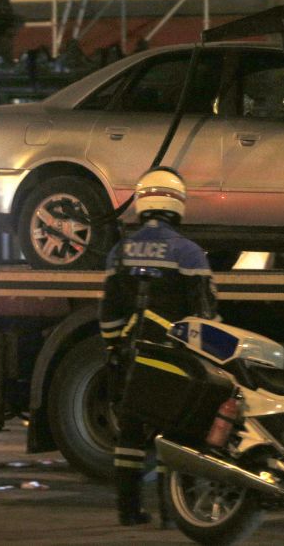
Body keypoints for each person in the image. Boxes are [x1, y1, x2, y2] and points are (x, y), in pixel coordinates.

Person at [98, 166, 217, 527]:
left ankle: (128, 510)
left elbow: (109, 313)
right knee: (177, 432)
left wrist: (114, 349)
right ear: (177, 202)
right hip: (173, 355)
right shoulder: (190, 253)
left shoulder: (120, 252)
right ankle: (171, 512)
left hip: (133, 354)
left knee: (130, 436)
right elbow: (205, 314)